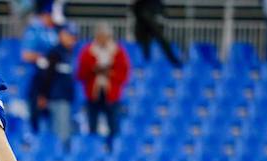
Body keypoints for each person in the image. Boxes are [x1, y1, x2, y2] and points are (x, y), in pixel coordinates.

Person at [76, 21, 129, 150]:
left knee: (113, 124)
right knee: (92, 124)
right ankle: (92, 149)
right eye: (100, 36)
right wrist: (94, 70)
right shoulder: (88, 51)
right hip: (94, 93)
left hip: (111, 94)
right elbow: (81, 73)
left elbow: (123, 73)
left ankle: (113, 149)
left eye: (105, 36)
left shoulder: (118, 52)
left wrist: (110, 73)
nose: (103, 39)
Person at [35, 22, 77, 149]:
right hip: (56, 98)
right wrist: (43, 95)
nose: (72, 39)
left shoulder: (69, 53)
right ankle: (58, 156)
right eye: (69, 35)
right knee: (60, 133)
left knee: (64, 131)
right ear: (62, 35)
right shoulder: (55, 52)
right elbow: (47, 76)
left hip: (65, 97)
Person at [21, 0, 58, 134]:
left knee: (50, 118)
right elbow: (26, 55)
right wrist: (42, 57)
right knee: (35, 114)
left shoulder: (52, 31)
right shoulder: (35, 29)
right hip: (36, 78)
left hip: (50, 80)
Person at [131, 0, 182, 67]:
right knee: (145, 45)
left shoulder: (154, 4)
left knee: (161, 42)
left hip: (149, 23)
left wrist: (160, 15)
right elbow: (135, 9)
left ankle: (175, 62)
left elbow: (162, 10)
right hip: (143, 24)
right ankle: (144, 65)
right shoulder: (141, 6)